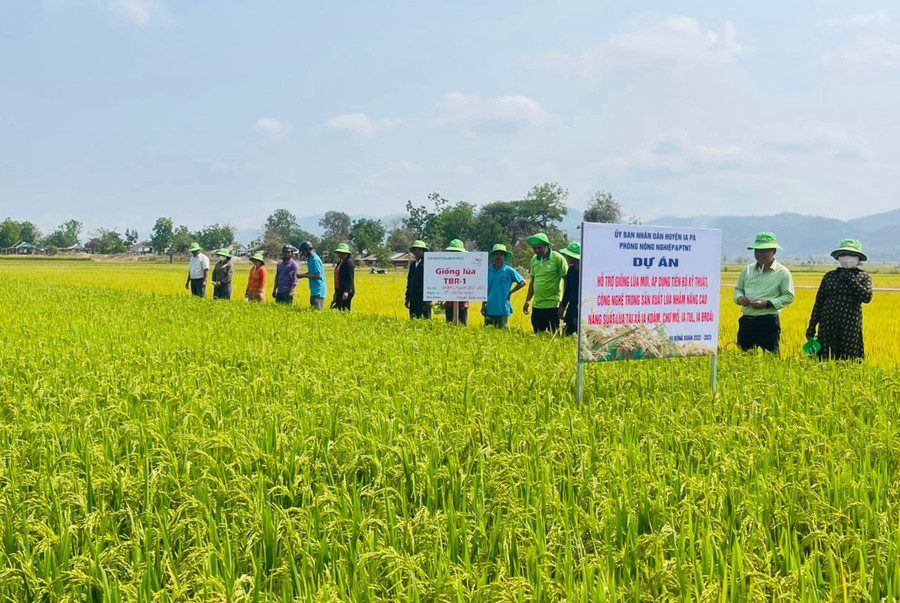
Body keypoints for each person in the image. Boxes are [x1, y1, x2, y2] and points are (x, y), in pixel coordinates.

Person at [806, 239, 873, 361]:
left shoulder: (863, 276)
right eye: (844, 255)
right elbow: (819, 302)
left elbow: (867, 297)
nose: (847, 258)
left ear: (858, 258)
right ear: (838, 257)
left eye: (852, 255)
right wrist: (812, 325)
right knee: (826, 357)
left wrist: (851, 280)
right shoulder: (830, 276)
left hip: (850, 324)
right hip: (827, 323)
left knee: (848, 358)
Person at [734, 232, 795, 354]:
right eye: (757, 251)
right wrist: (740, 298)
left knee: (771, 358)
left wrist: (767, 303)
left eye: (764, 251)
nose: (759, 254)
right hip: (747, 321)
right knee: (744, 356)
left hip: (768, 322)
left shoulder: (782, 272)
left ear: (774, 252)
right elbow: (738, 289)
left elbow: (789, 296)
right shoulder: (748, 270)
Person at [523, 233, 568, 333]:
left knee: (553, 336)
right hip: (537, 306)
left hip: (552, 305)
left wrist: (563, 304)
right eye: (534, 248)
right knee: (537, 335)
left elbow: (566, 281)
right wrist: (528, 300)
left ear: (547, 246)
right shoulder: (534, 259)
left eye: (539, 248)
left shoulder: (558, 259)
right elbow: (533, 281)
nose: (537, 251)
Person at [482, 244, 525, 328]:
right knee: (488, 333)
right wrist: (483, 305)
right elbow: (485, 289)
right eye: (496, 254)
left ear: (504, 256)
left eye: (501, 254)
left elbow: (522, 282)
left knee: (503, 334)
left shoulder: (509, 270)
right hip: (489, 308)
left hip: (503, 308)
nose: (498, 256)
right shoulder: (489, 271)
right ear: (493, 256)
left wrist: (510, 292)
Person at [442, 238, 469, 325]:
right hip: (449, 302)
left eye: (457, 252)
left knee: (462, 325)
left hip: (462, 303)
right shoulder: (446, 267)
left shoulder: (468, 267)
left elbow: (470, 285)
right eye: (452, 252)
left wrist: (465, 301)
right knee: (449, 324)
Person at [558, 242, 581, 336]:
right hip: (571, 307)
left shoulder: (585, 271)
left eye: (569, 255)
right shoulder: (571, 270)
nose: (567, 257)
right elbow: (567, 291)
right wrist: (562, 306)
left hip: (581, 308)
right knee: (566, 333)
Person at [405, 240, 432, 319]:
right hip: (413, 297)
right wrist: (407, 298)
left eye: (419, 250)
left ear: (424, 251)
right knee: (413, 319)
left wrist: (429, 300)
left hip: (424, 299)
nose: (417, 252)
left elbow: (430, 282)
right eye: (415, 250)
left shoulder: (428, 264)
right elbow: (409, 282)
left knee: (426, 320)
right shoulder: (413, 264)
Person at [297, 241, 327, 310]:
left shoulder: (315, 259)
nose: (303, 254)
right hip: (314, 290)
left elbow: (318, 275)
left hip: (318, 290)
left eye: (303, 252)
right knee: (313, 310)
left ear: (307, 250)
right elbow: (312, 272)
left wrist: (304, 275)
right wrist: (302, 275)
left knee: (317, 311)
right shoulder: (310, 259)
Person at [331, 243, 355, 311]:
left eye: (341, 252)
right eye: (338, 252)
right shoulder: (340, 262)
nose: (339, 254)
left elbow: (350, 278)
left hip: (346, 290)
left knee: (345, 309)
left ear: (346, 253)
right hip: (339, 289)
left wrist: (346, 291)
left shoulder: (349, 263)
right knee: (339, 308)